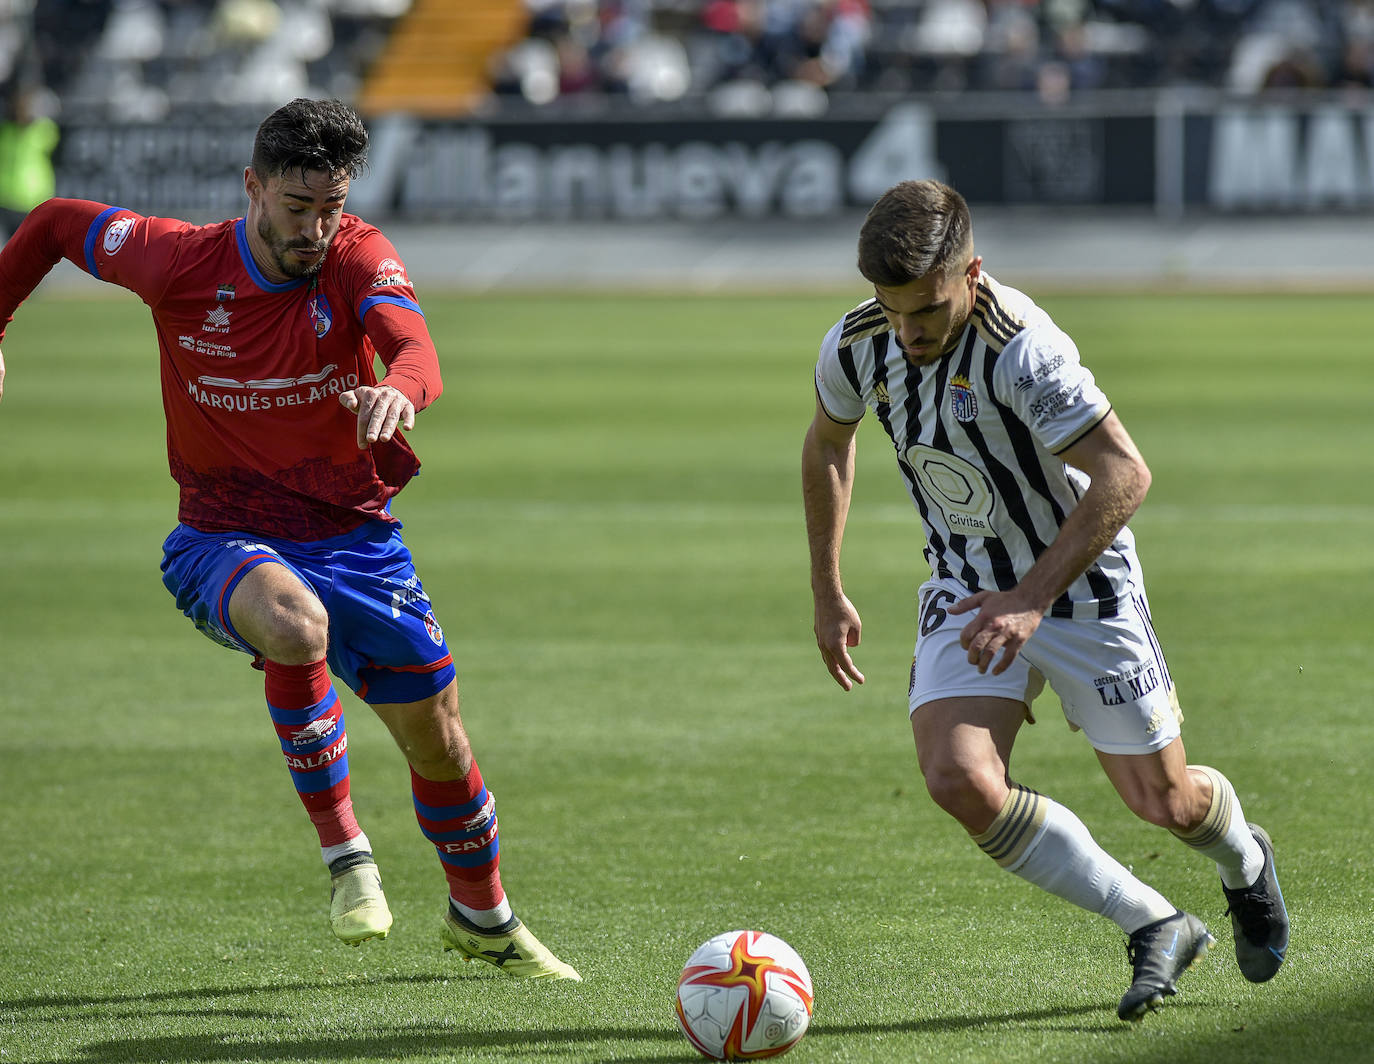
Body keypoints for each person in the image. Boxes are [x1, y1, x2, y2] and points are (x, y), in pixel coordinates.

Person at [0, 97, 579, 981]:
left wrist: (401, 391)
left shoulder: (359, 255)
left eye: (332, 207)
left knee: (440, 742)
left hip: (353, 534)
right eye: (298, 207)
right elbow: (48, 224)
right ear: (253, 188)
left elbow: (414, 348)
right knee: (294, 625)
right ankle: (348, 860)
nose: (317, 228)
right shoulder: (174, 259)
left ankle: (483, 917)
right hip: (220, 533)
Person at [801, 179, 1288, 1021]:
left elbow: (1124, 474)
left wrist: (1030, 599)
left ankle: (1245, 859)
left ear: (972, 274)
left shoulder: (1021, 346)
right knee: (958, 777)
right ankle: (1155, 922)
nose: (908, 332)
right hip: (964, 584)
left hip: (1078, 582)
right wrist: (827, 588)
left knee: (1164, 802)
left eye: (926, 309)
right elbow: (828, 448)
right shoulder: (858, 342)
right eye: (893, 308)